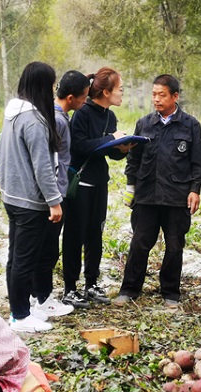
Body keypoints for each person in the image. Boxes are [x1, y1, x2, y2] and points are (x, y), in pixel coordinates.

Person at [114, 74, 201, 307]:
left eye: (162, 95)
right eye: (154, 94)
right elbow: (134, 160)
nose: (156, 99)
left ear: (175, 96)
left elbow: (198, 163)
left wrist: (195, 189)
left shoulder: (191, 125)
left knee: (175, 245)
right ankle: (129, 289)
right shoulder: (144, 123)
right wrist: (130, 186)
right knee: (139, 243)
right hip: (147, 194)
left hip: (177, 196)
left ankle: (170, 293)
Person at [0, 61, 68, 333]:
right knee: (24, 259)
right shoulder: (34, 120)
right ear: (42, 85)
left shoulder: (13, 114)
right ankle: (20, 316)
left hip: (12, 197)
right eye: (51, 84)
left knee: (16, 257)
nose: (53, 90)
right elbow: (43, 166)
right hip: (29, 202)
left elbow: (0, 156)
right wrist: (54, 200)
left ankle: (19, 312)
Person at [61, 67, 133, 308]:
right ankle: (70, 287)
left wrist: (121, 149)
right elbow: (79, 147)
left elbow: (109, 153)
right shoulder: (82, 113)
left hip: (100, 182)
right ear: (105, 91)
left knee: (95, 235)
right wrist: (111, 139)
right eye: (120, 89)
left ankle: (91, 283)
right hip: (80, 184)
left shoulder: (110, 116)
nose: (122, 93)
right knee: (74, 236)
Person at [28, 70, 90, 316]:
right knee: (48, 249)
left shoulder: (48, 116)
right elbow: (53, 163)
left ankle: (37, 296)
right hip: (54, 195)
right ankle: (42, 298)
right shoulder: (60, 122)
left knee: (44, 247)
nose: (85, 102)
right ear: (72, 97)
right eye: (84, 97)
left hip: (49, 194)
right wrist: (55, 199)